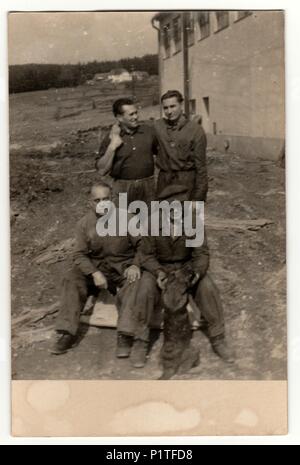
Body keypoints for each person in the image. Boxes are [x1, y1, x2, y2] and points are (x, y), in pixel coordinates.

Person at [51, 182, 155, 368]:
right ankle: (67, 332)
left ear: (113, 199)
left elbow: (143, 246)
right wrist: (94, 272)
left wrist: (135, 265)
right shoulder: (84, 224)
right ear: (90, 202)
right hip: (98, 269)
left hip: (123, 267)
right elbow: (79, 254)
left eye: (106, 199)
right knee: (72, 277)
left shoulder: (128, 218)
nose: (102, 203)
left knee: (138, 282)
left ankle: (125, 334)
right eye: (97, 200)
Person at [138, 184, 234, 364]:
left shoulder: (193, 223)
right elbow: (146, 256)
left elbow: (201, 254)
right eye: (170, 206)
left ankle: (218, 337)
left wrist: (195, 274)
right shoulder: (151, 223)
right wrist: (158, 272)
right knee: (144, 287)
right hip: (161, 268)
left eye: (180, 205)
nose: (176, 210)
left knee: (207, 287)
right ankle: (140, 341)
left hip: (185, 269)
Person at [96, 98, 158, 205]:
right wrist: (112, 146)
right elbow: (101, 170)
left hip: (147, 186)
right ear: (119, 117)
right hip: (122, 188)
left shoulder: (149, 132)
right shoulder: (111, 137)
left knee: (149, 219)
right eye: (131, 114)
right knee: (123, 220)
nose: (135, 117)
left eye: (136, 113)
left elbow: (161, 154)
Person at [154, 90, 208, 201]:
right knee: (163, 217)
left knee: (189, 217)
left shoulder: (195, 130)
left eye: (173, 106)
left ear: (181, 105)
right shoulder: (158, 126)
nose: (169, 111)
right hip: (164, 181)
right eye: (165, 108)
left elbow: (201, 167)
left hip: (187, 181)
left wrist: (199, 197)